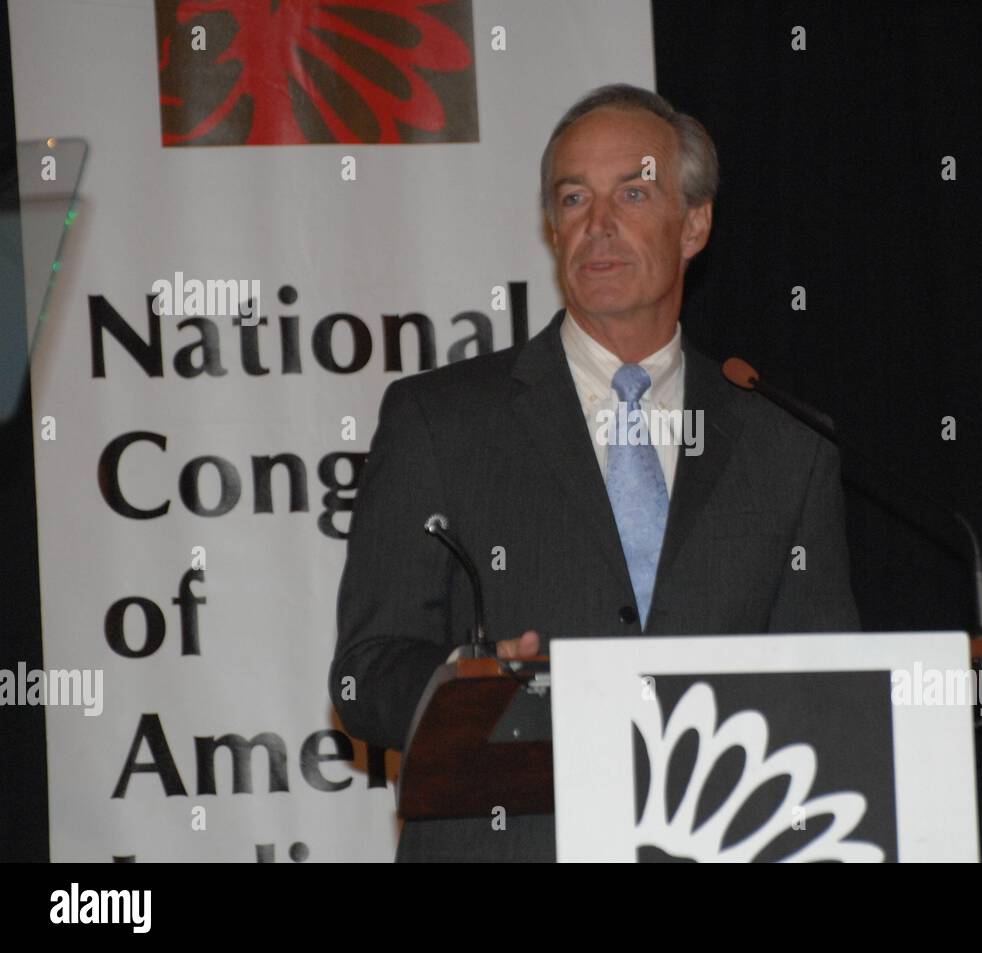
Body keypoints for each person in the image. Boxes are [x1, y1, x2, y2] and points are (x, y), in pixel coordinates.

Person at [330, 83, 860, 862]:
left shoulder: (783, 441)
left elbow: (827, 686)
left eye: (634, 193)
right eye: (574, 198)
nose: (598, 225)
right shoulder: (438, 423)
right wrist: (469, 685)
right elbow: (364, 676)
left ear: (696, 224)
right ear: (553, 227)